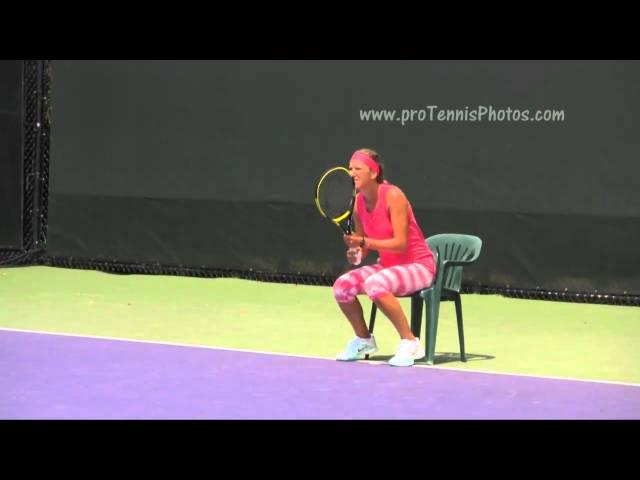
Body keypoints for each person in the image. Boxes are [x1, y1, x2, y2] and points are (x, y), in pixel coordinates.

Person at [332, 148, 436, 367]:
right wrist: (356, 253)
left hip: (419, 266)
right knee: (342, 286)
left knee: (375, 284)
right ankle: (364, 339)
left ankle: (410, 342)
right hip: (388, 265)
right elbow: (363, 245)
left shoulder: (394, 195)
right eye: (350, 169)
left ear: (373, 172)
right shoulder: (358, 202)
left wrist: (364, 242)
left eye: (357, 169)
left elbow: (400, 243)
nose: (351, 173)